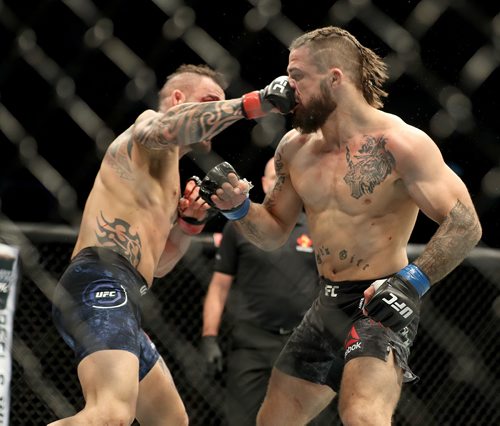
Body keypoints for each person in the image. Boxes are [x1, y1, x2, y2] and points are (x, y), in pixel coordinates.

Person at [203, 26, 482, 426]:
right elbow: (273, 233)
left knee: (363, 416)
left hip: (381, 299)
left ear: (334, 78)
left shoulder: (400, 143)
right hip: (326, 302)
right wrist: (239, 208)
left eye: (297, 75)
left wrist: (409, 283)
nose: (285, 85)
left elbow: (465, 224)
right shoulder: (294, 149)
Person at [49, 64, 297, 426]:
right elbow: (166, 126)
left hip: (128, 290)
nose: (217, 112)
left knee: (171, 421)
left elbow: (158, 265)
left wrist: (189, 223)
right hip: (99, 280)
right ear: (179, 100)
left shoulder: (171, 178)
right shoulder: (148, 127)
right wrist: (253, 104)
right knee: (111, 414)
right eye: (211, 102)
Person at [201, 157, 337, 426]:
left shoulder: (316, 226)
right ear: (263, 183)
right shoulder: (238, 225)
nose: (279, 186)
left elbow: (331, 284)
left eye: (284, 180)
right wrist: (209, 336)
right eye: (274, 179)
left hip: (301, 342)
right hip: (250, 343)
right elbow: (219, 285)